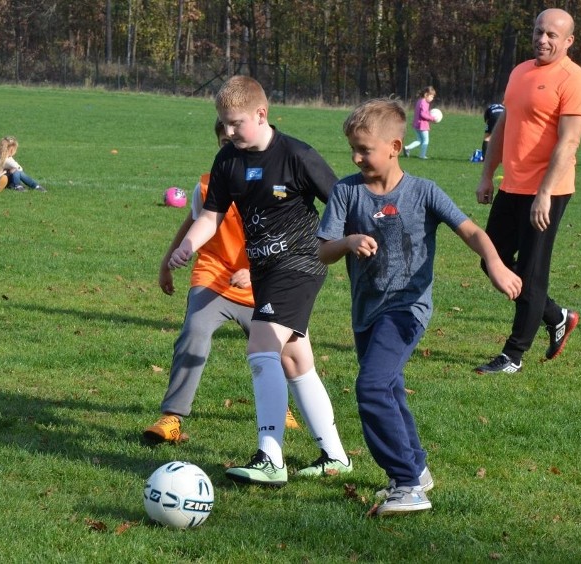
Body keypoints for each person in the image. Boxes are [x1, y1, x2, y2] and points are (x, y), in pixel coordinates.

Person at [317, 98, 521, 516]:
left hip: (407, 309)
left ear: (394, 146)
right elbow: (323, 251)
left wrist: (496, 264)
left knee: (372, 387)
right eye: (352, 150)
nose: (356, 157)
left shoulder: (423, 191)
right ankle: (418, 469)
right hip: (366, 311)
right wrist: (349, 242)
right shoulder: (346, 191)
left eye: (364, 149)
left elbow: (470, 231)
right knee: (388, 386)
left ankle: (406, 483)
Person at [168, 75, 351, 486]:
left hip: (301, 264)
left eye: (236, 123)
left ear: (261, 113)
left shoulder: (297, 156)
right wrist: (188, 247)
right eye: (224, 124)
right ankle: (335, 455)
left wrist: (341, 244)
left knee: (262, 344)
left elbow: (340, 200)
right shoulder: (228, 160)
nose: (229, 132)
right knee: (294, 359)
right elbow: (212, 216)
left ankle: (270, 456)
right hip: (265, 271)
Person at [144, 119, 300, 444]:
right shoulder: (208, 185)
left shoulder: (276, 185)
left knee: (279, 349)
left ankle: (281, 408)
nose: (231, 147)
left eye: (236, 140)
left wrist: (257, 272)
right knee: (194, 331)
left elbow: (291, 239)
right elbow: (192, 224)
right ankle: (172, 417)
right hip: (213, 276)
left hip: (261, 282)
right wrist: (166, 264)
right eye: (224, 143)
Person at [474, 8, 581, 374]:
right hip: (513, 185)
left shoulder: (575, 81)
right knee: (490, 259)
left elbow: (568, 142)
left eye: (552, 35)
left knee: (531, 270)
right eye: (539, 32)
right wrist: (487, 174)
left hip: (548, 191)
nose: (543, 39)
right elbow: (505, 127)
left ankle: (514, 355)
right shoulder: (520, 72)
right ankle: (556, 315)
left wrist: (544, 193)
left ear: (568, 41)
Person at [402, 86, 439, 159]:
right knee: (426, 141)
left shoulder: (419, 101)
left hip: (416, 124)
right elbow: (423, 114)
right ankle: (422, 155)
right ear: (426, 95)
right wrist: (432, 118)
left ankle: (407, 148)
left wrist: (429, 117)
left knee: (419, 140)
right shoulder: (424, 102)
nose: (432, 98)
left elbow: (421, 113)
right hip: (422, 125)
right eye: (431, 96)